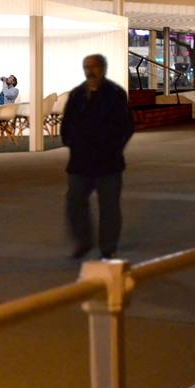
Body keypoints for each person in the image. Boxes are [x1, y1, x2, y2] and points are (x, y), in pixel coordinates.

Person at [61, 54, 134, 260]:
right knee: (75, 202)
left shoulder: (115, 94)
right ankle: (82, 241)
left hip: (107, 161)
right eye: (87, 67)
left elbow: (126, 126)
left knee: (109, 206)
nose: (90, 71)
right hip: (80, 161)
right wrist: (73, 144)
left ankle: (108, 246)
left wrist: (114, 147)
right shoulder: (76, 95)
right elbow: (67, 125)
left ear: (103, 68)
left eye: (94, 67)